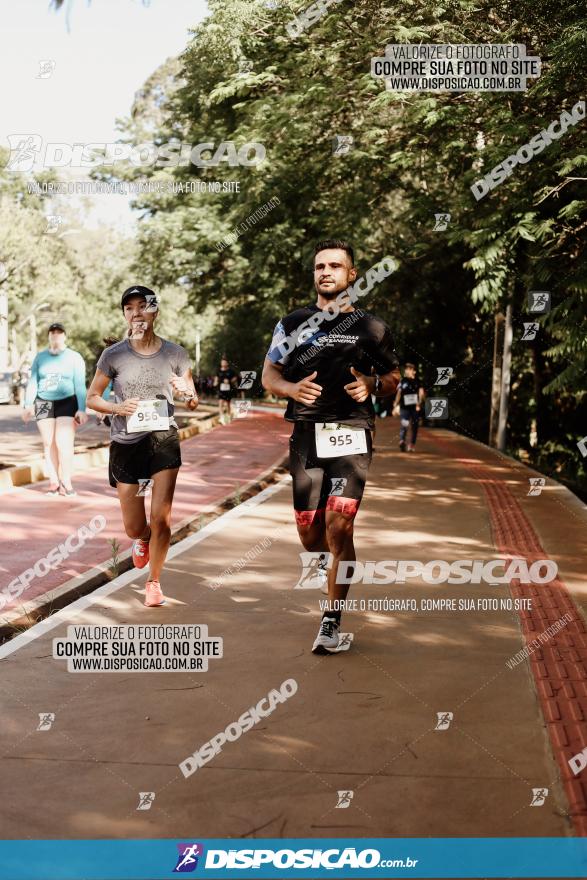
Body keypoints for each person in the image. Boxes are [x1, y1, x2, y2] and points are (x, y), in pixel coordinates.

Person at [262, 239, 400, 654]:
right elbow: (269, 374)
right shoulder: (292, 323)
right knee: (310, 533)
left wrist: (373, 384)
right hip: (306, 436)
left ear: (351, 275)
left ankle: (331, 619)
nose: (326, 272)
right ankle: (334, 561)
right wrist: (290, 387)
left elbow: (394, 377)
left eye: (336, 266)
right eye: (320, 266)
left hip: (352, 433)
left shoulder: (371, 327)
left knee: (340, 525)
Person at [86, 285, 198, 607]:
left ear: (155, 311)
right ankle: (143, 539)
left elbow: (192, 400)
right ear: (125, 314)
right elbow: (93, 397)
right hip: (126, 442)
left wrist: (186, 392)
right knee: (135, 525)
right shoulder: (114, 355)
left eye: (143, 306)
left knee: (162, 517)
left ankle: (154, 581)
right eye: (129, 308)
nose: (136, 313)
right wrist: (116, 408)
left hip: (163, 438)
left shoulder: (175, 353)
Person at [22, 323, 88, 496]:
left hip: (67, 401)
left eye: (59, 333)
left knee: (63, 442)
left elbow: (80, 385)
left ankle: (66, 481)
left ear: (64, 336)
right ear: (49, 336)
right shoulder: (40, 357)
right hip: (43, 402)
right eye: (53, 333)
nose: (56, 336)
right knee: (48, 442)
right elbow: (33, 382)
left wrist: (82, 409)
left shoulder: (74, 357)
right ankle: (53, 482)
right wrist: (28, 405)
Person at [393, 363, 425, 452]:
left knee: (415, 427)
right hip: (404, 407)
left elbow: (421, 393)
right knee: (405, 424)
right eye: (406, 369)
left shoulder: (418, 381)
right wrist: (395, 404)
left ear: (414, 371)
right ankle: (402, 441)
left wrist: (419, 404)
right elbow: (399, 393)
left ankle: (411, 444)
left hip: (415, 408)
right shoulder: (403, 381)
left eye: (409, 369)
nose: (407, 370)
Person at [213, 356, 238, 424]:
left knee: (228, 404)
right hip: (221, 389)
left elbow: (235, 378)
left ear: (227, 363)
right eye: (222, 362)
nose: (223, 363)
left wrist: (229, 381)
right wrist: (215, 383)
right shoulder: (218, 371)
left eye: (224, 362)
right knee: (220, 403)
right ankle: (221, 417)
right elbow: (216, 379)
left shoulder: (230, 371)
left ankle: (229, 416)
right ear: (221, 363)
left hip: (228, 389)